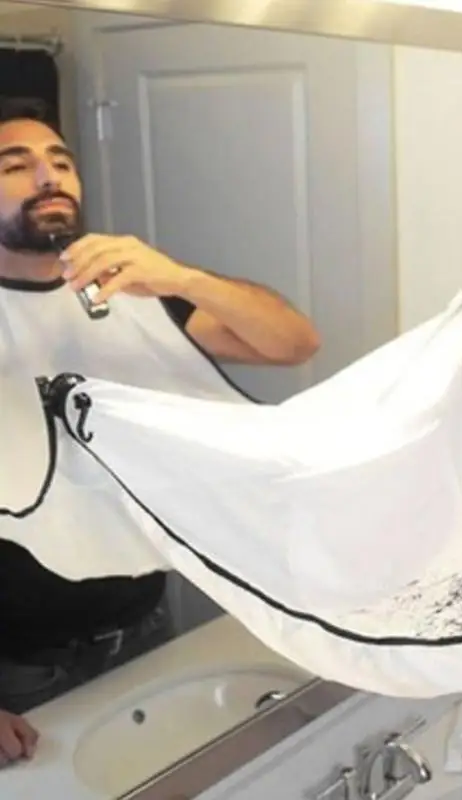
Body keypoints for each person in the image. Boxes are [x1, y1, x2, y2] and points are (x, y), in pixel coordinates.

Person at [0, 115, 320, 766]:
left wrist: (182, 279)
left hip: (146, 625)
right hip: (19, 666)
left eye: (61, 161)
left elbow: (293, 344)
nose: (47, 176)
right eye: (15, 165)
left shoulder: (129, 293)